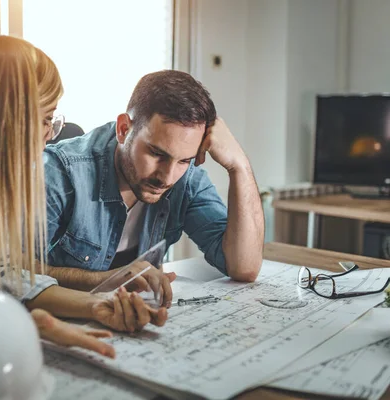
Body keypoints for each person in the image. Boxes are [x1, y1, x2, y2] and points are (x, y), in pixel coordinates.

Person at [0, 35, 168, 358]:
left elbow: (2, 269)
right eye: (46, 119)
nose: (49, 136)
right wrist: (20, 329)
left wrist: (97, 305)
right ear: (4, 118)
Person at [43, 70, 264, 302]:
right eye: (157, 153)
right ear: (123, 130)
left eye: (184, 160)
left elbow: (244, 268)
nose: (167, 177)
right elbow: (14, 271)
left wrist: (239, 166)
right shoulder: (60, 172)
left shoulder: (187, 179)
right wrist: (106, 280)